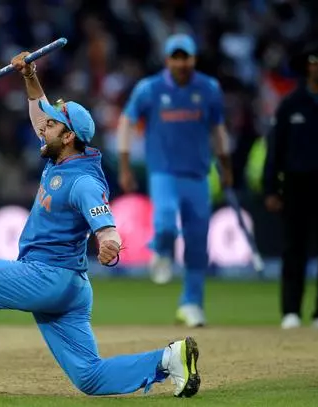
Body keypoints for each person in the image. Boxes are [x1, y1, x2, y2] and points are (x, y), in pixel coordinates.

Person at [0, 51, 201, 398]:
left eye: (53, 124)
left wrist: (109, 244)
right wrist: (29, 75)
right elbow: (38, 111)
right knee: (90, 377)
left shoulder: (83, 181)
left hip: (45, 276)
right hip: (71, 288)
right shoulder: (60, 157)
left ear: (69, 135)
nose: (43, 128)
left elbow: (106, 225)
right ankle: (168, 360)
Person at [117, 33, 233, 328]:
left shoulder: (209, 88)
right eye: (176, 57)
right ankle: (162, 248)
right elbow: (127, 122)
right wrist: (125, 165)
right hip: (163, 172)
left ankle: (191, 304)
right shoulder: (150, 89)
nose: (181, 63)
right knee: (166, 220)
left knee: (197, 243)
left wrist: (226, 165)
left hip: (198, 174)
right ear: (167, 59)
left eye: (186, 57)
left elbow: (218, 130)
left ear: (194, 59)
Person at [263, 44, 318, 330]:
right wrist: (270, 188)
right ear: (306, 68)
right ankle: (291, 311)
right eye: (313, 62)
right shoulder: (291, 103)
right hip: (296, 184)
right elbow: (274, 149)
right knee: (294, 249)